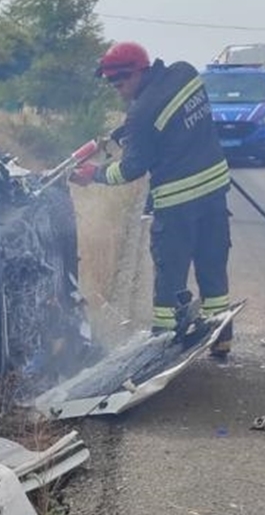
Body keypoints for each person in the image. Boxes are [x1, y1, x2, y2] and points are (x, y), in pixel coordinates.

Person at [70, 41, 233, 358]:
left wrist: (95, 174)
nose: (117, 89)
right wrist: (129, 130)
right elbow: (171, 119)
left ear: (137, 72)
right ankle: (222, 339)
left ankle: (162, 344)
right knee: (213, 266)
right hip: (215, 191)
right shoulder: (186, 74)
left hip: (177, 204)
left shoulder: (140, 114)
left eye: (119, 81)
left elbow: (132, 169)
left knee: (170, 276)